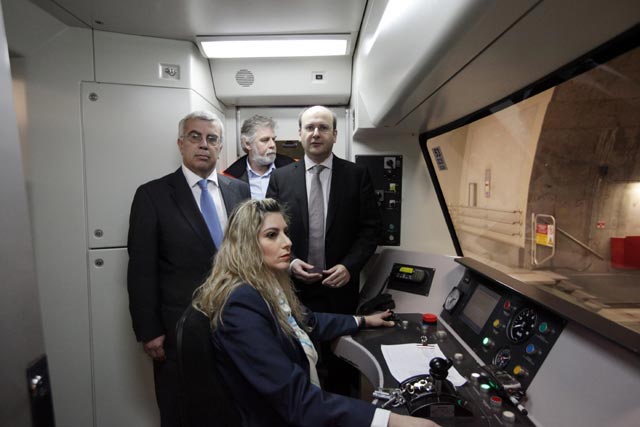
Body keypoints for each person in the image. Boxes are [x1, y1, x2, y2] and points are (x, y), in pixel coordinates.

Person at [193, 198, 440, 427]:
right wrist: (392, 422)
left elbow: (309, 321)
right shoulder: (240, 305)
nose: (287, 242)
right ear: (245, 244)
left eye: (285, 232)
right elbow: (296, 401)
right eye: (272, 235)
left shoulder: (266, 285)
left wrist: (363, 320)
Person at [127, 110, 250, 427]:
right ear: (181, 144)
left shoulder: (239, 191)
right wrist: (149, 330)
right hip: (178, 329)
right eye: (195, 137)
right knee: (181, 412)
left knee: (232, 408)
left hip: (234, 324)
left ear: (220, 147)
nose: (203, 144)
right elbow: (141, 269)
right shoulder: (152, 195)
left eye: (212, 139)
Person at [266, 105, 382, 394]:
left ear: (335, 135)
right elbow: (269, 231)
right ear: (300, 134)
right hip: (293, 290)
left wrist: (349, 267)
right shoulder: (281, 178)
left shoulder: (356, 176)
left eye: (323, 128)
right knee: (298, 365)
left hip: (340, 289)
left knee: (341, 370)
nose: (316, 133)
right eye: (310, 127)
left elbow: (371, 230)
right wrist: (291, 263)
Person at [224, 114, 294, 199]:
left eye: (273, 139)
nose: (272, 145)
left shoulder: (292, 168)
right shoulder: (230, 176)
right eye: (265, 140)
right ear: (247, 144)